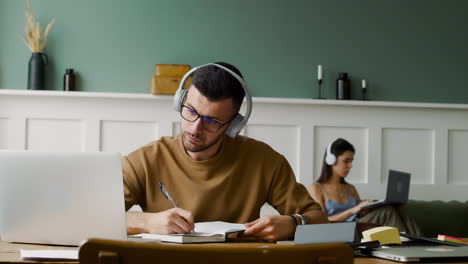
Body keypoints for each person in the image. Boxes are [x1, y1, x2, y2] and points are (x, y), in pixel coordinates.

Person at [123, 62, 327, 242]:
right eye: (191, 111)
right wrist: (147, 221)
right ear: (180, 102)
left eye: (211, 121)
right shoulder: (145, 160)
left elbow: (318, 219)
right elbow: (93, 216)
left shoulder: (265, 161)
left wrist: (293, 223)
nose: (195, 128)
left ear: (233, 125)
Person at [308, 138, 422, 235]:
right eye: (346, 161)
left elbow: (361, 214)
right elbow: (320, 221)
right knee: (386, 212)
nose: (350, 166)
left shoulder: (350, 188)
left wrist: (369, 207)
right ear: (331, 160)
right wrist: (352, 211)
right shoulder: (317, 188)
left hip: (360, 225)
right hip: (341, 230)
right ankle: (410, 243)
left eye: (351, 161)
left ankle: (420, 243)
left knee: (397, 206)